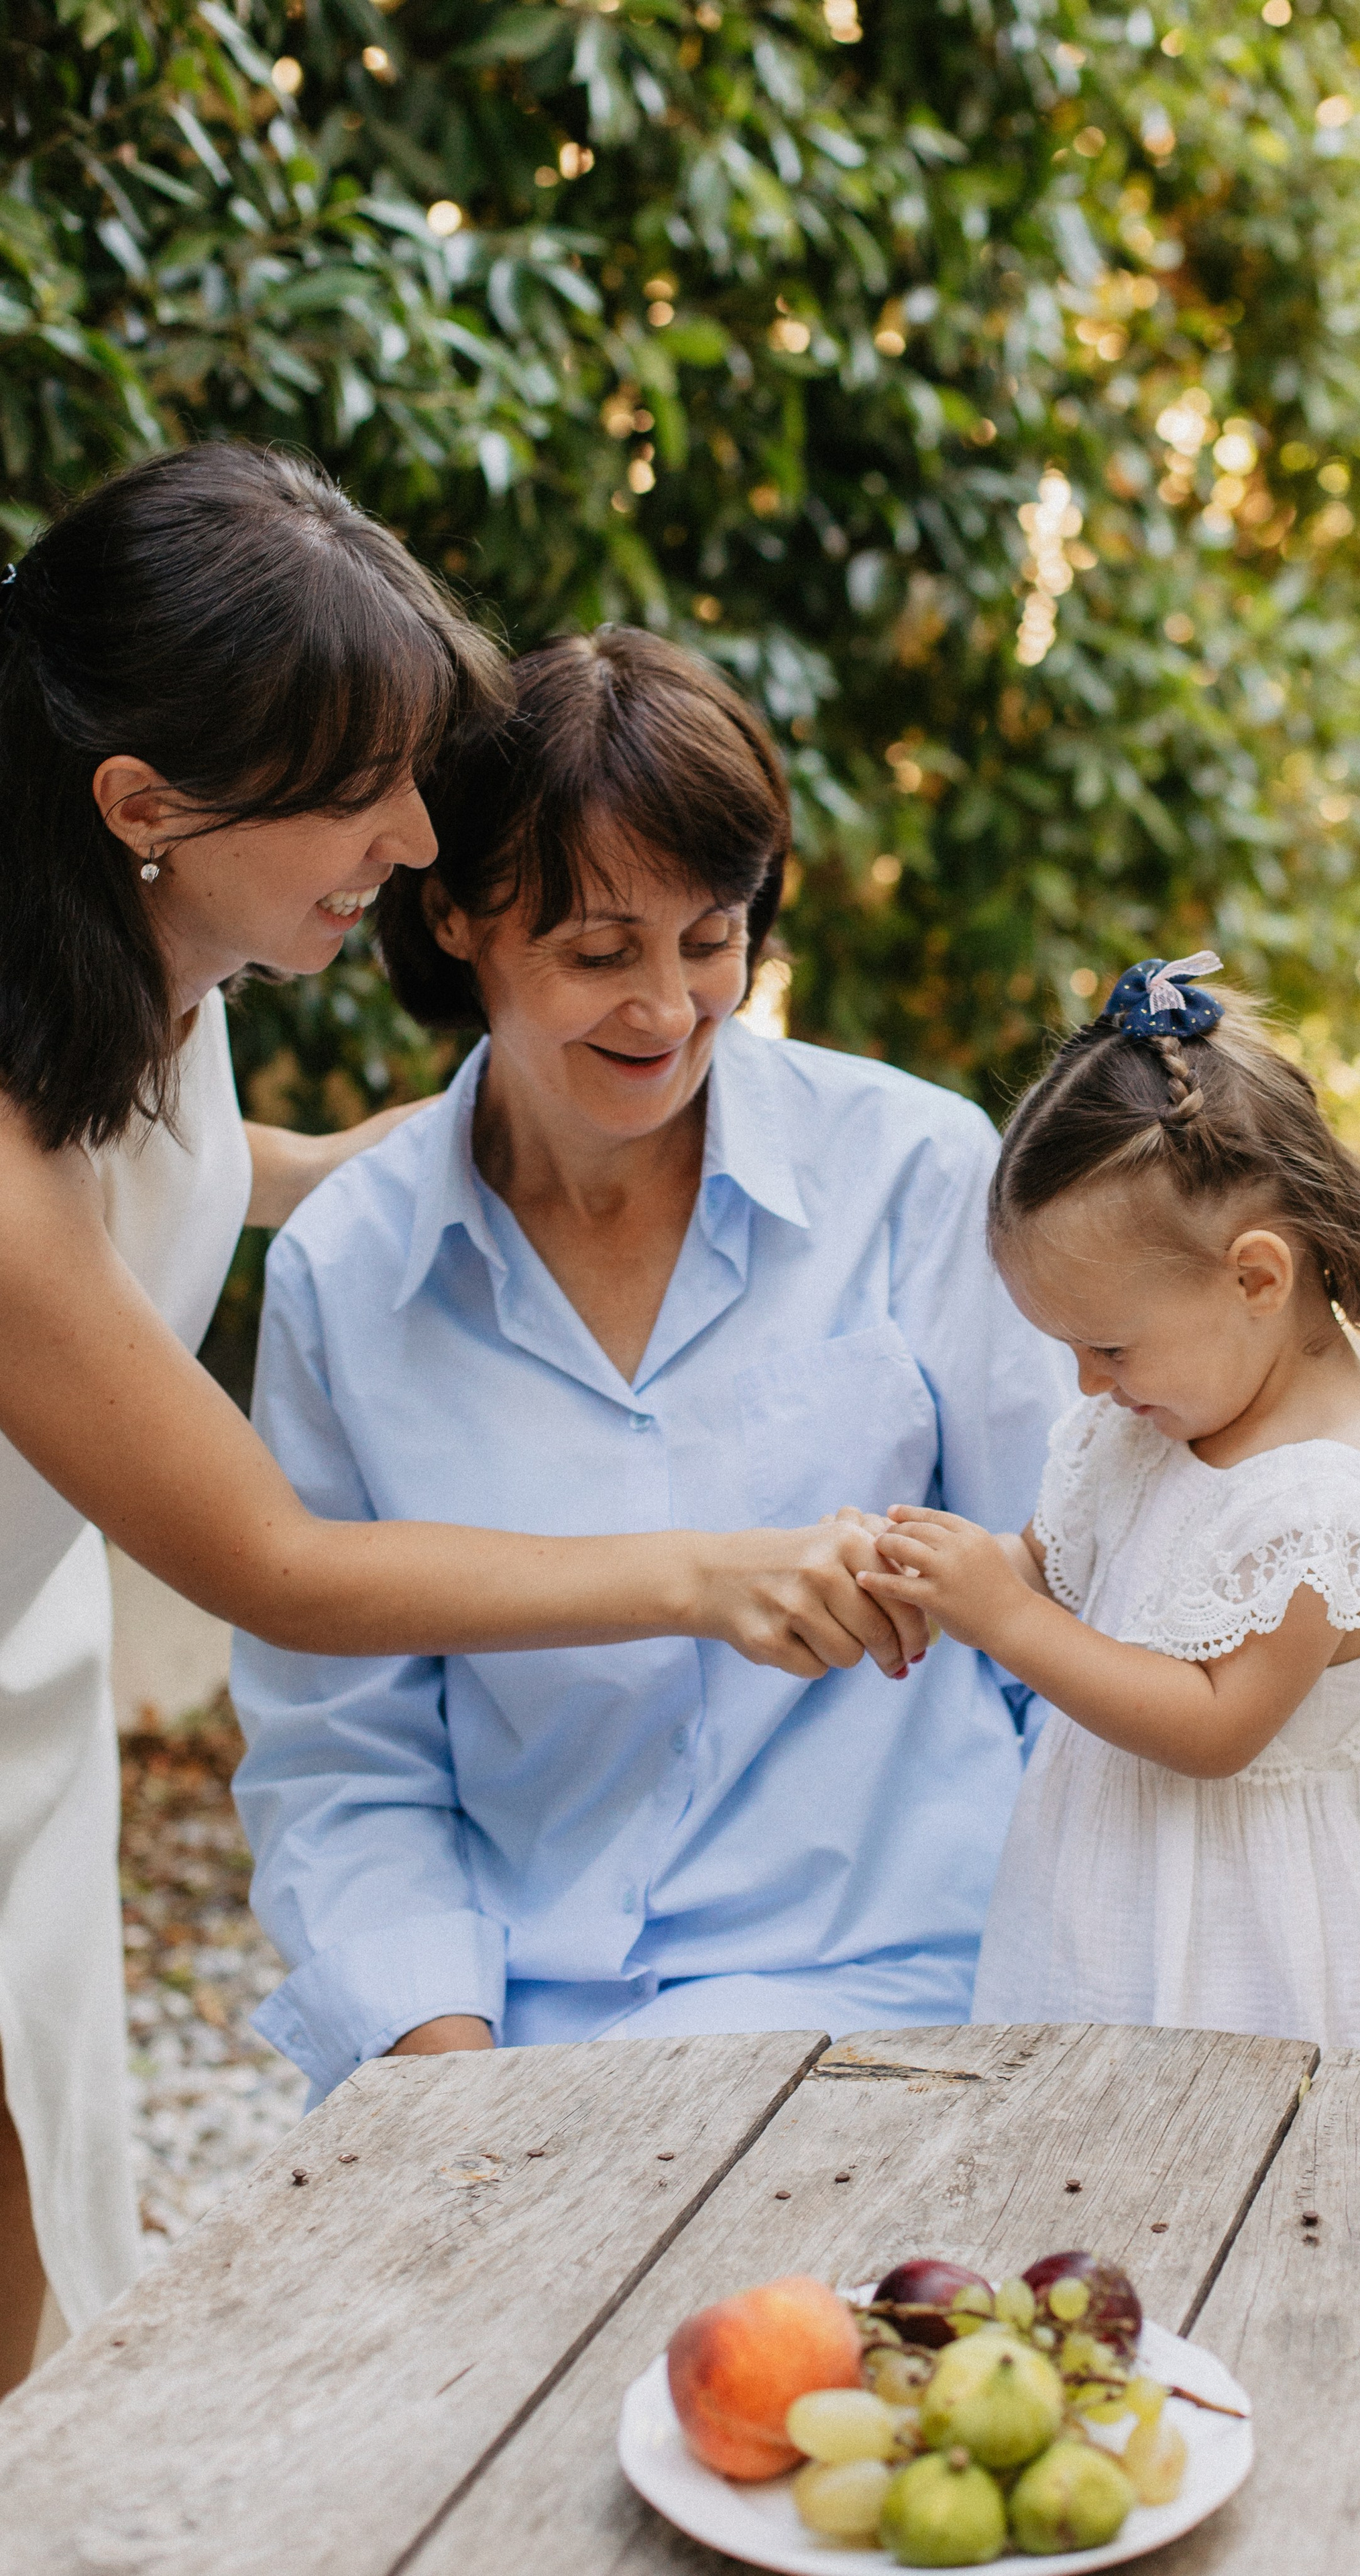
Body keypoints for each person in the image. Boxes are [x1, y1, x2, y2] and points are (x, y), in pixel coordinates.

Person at [0, 453, 922, 2383]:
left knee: (44, 2237)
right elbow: (280, 1568)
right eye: (360, 790)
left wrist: (306, 1164)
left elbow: (127, 1152)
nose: (419, 835)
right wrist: (706, 1570)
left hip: (33, 1683)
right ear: (146, 804)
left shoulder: (141, 950)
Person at [229, 627, 1071, 2099]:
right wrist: (448, 2067)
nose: (671, 1011)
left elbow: (1064, 1623)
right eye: (598, 953)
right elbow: (341, 1755)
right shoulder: (347, 1272)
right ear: (456, 920)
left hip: (894, 2003)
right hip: (501, 2026)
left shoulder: (916, 1174)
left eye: (712, 938)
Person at [859, 955, 1360, 2054]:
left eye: (1106, 1344)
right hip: (1115, 1907)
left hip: (1266, 1956)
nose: (1088, 1385)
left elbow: (1213, 1727)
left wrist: (1007, 1624)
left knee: (1254, 2185)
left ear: (1256, 1278)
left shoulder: (1324, 1498)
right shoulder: (1157, 1417)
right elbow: (1053, 1569)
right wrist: (940, 1570)